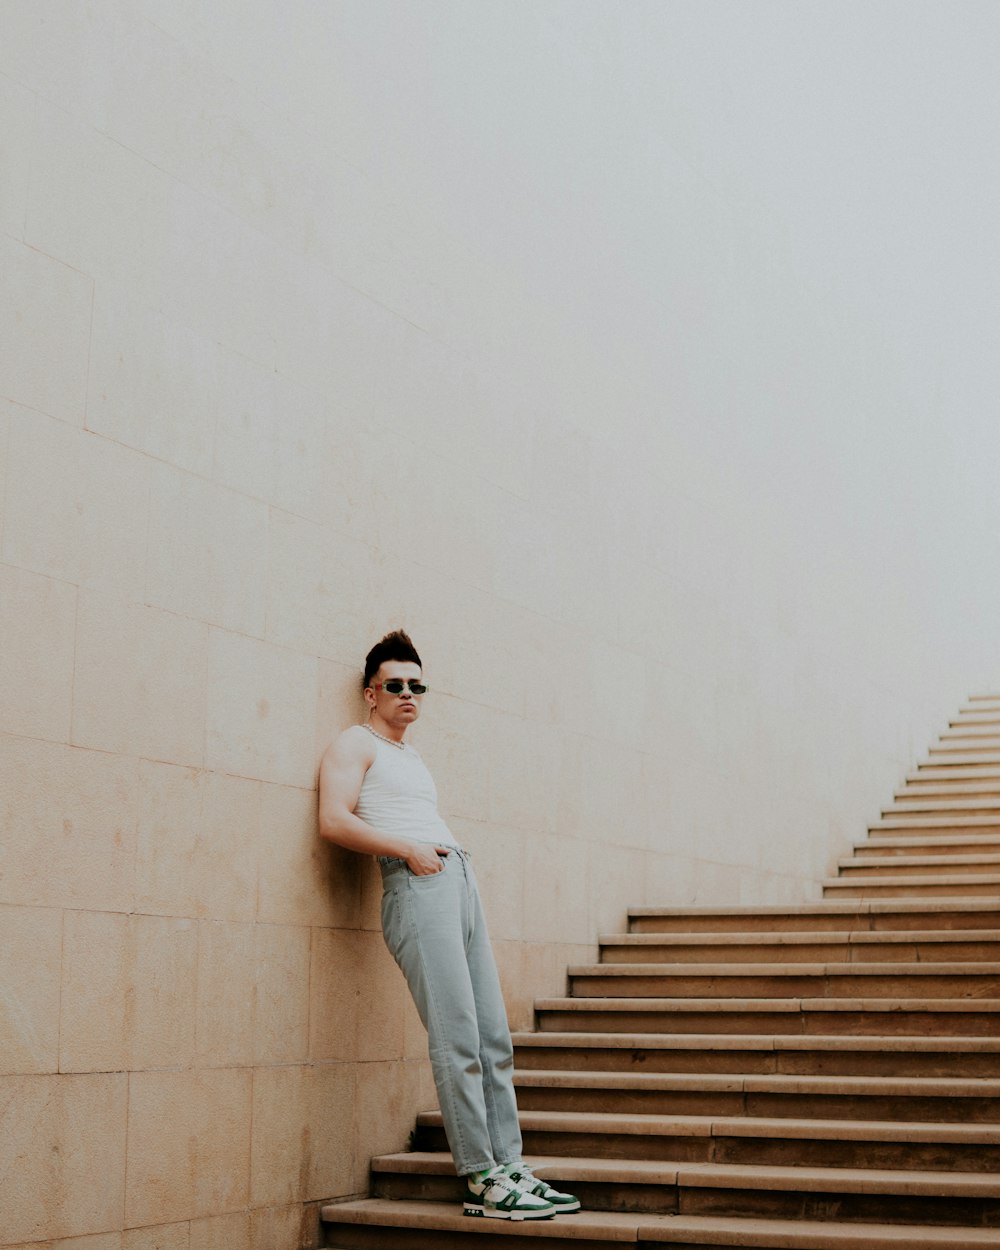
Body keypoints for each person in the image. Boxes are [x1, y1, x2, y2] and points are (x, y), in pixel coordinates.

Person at [317, 630, 580, 1221]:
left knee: (492, 1036)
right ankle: (481, 1177)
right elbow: (333, 820)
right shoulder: (353, 745)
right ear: (370, 693)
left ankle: (509, 1163)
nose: (408, 694)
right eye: (395, 685)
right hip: (415, 886)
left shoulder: (410, 756)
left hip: (454, 879)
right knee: (457, 1036)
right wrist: (410, 850)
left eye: (417, 686)